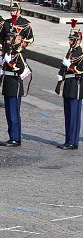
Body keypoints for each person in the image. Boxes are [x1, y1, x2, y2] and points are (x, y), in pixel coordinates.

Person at [58, 21, 82, 150]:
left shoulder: (81, 54)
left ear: (78, 41)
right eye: (69, 39)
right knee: (68, 115)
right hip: (68, 85)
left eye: (72, 40)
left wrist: (70, 66)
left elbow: (80, 70)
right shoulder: (70, 52)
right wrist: (60, 75)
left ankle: (73, 142)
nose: (70, 42)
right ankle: (68, 140)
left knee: (73, 115)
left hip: (76, 86)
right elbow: (63, 67)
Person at [0, 25, 26, 147]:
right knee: (9, 113)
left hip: (15, 84)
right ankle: (12, 136)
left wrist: (10, 63)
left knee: (14, 112)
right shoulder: (10, 50)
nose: (10, 39)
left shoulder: (20, 51)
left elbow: (21, 69)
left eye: (12, 37)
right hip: (8, 83)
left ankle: (15, 138)